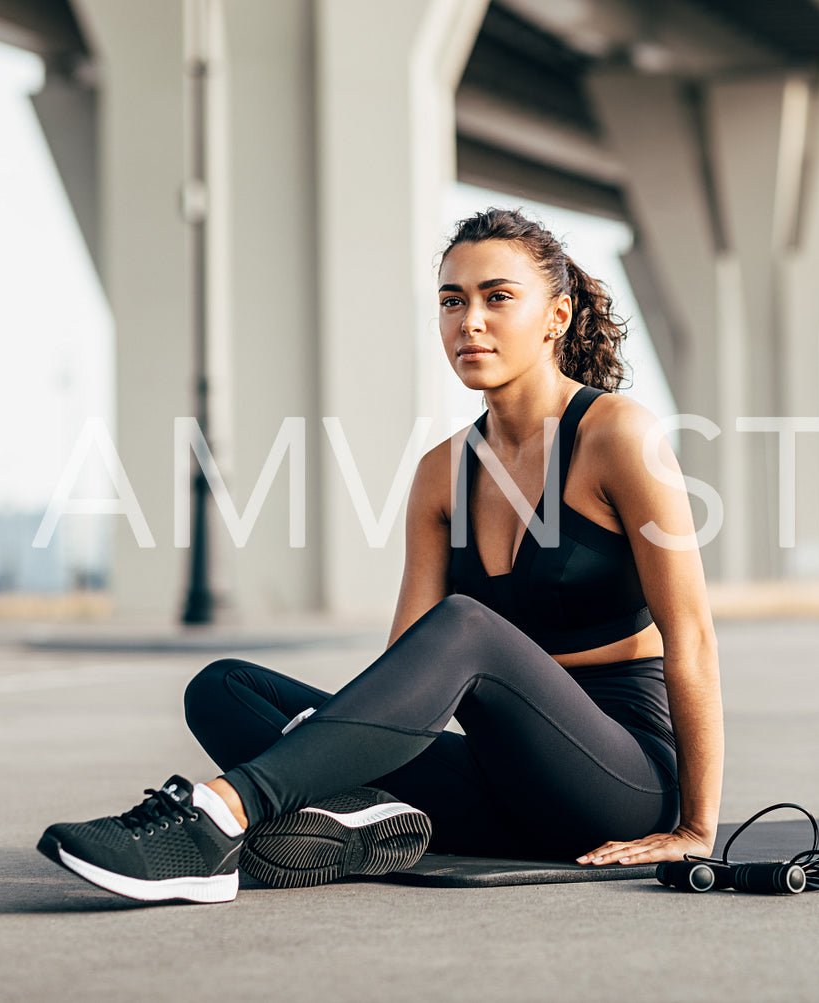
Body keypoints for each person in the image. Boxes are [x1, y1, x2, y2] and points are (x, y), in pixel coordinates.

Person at [38, 208, 724, 903]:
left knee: (466, 624)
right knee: (223, 688)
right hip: (499, 792)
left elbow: (690, 635)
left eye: (497, 296)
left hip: (617, 785)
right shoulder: (441, 472)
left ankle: (219, 817)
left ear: (555, 316)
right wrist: (330, 746)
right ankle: (358, 811)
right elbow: (407, 662)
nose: (469, 321)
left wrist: (696, 825)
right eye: (451, 301)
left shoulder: (616, 436)